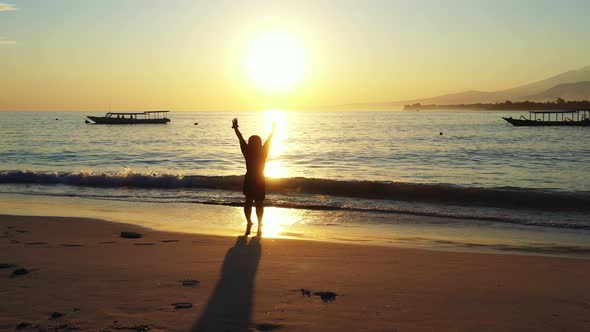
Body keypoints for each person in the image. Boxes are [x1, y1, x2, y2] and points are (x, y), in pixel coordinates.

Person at [232, 118, 276, 236]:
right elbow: (269, 139)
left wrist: (236, 128)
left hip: (249, 178)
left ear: (250, 143)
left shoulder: (247, 151)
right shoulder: (263, 152)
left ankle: (249, 222)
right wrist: (274, 128)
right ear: (259, 143)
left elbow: (241, 139)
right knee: (259, 203)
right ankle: (259, 223)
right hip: (260, 179)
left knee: (248, 201)